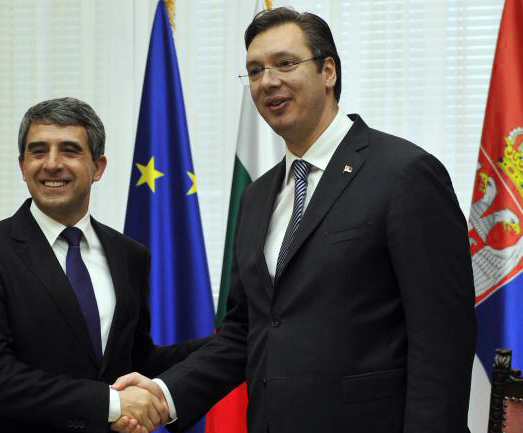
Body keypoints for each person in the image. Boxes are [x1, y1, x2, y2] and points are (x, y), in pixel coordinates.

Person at [112, 7, 476, 433]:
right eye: (255, 71)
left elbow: (442, 340)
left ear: (328, 71)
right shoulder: (256, 197)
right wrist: (163, 394)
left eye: (285, 63)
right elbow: (245, 332)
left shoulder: (404, 174)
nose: (267, 81)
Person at [0, 97, 208, 433]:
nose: (51, 164)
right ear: (22, 166)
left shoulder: (130, 255)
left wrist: (236, 341)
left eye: (69, 151)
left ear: (98, 167)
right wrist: (112, 404)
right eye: (38, 151)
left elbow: (136, 360)